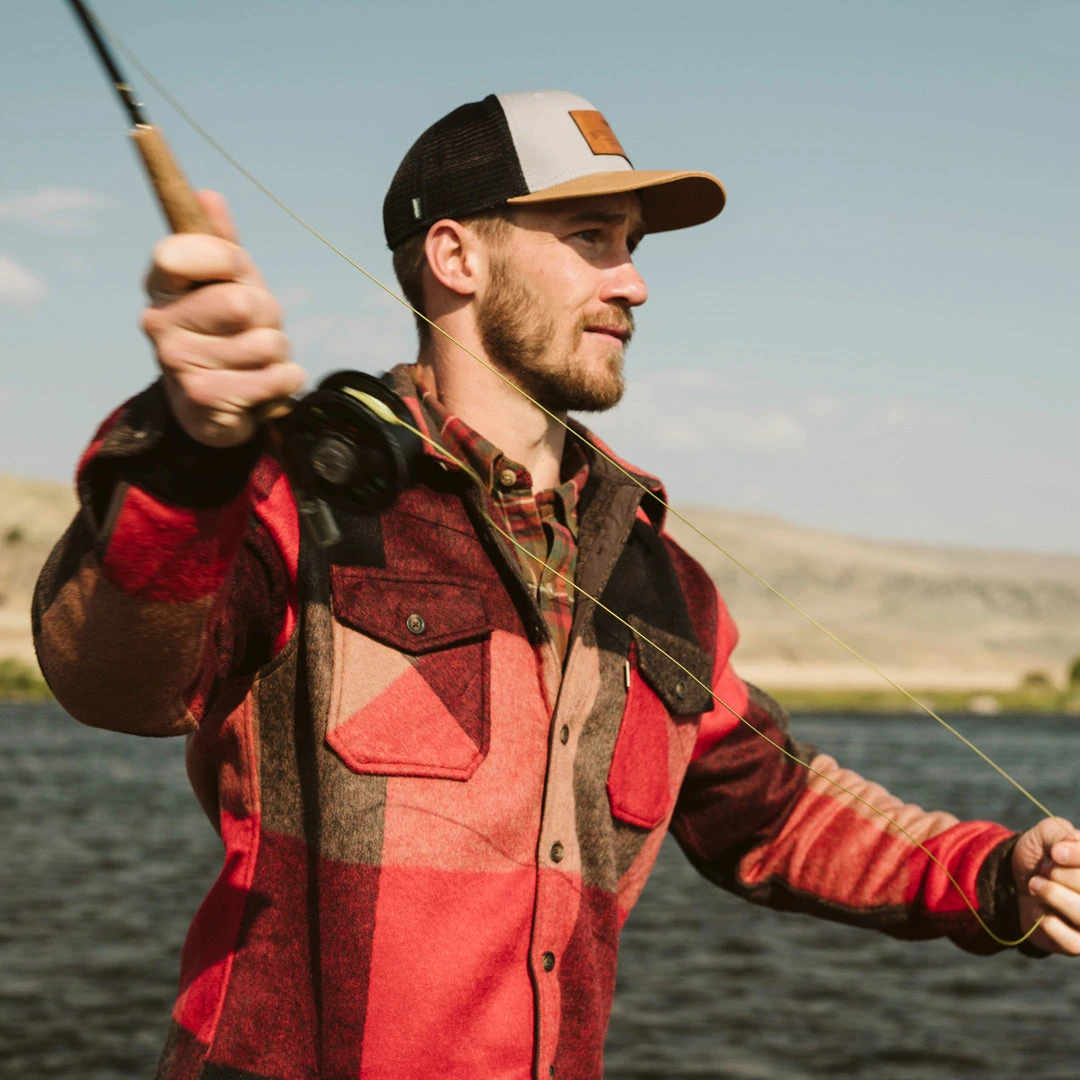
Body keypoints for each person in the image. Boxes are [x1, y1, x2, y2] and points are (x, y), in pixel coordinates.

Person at [33, 90, 1080, 1080]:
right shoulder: (282, 494)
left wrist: (998, 878)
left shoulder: (657, 575)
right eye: (592, 240)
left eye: (631, 246)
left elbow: (772, 808)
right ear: (455, 256)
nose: (634, 283)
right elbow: (110, 684)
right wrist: (187, 451)